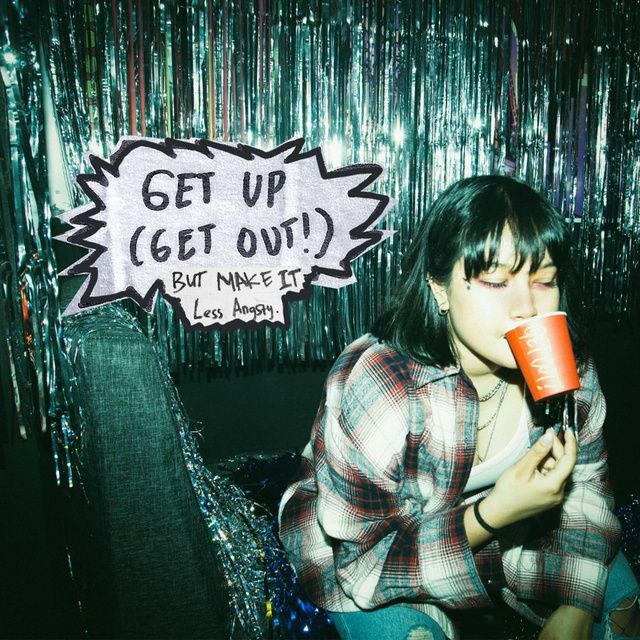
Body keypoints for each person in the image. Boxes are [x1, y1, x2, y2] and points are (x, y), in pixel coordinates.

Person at [278, 176, 640, 640]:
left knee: (624, 611)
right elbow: (365, 564)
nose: (527, 307)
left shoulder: (564, 362)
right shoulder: (380, 381)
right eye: (496, 281)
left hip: (520, 526)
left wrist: (577, 604)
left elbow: (587, 485)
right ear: (439, 289)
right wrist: (492, 513)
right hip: (376, 547)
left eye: (544, 279)